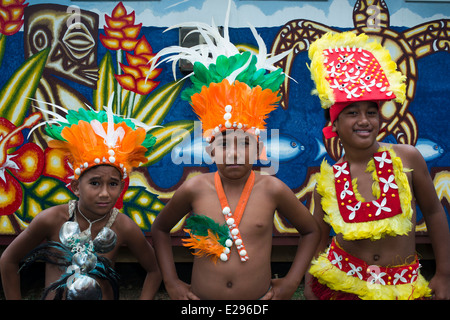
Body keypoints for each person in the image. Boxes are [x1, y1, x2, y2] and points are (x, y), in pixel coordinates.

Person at [149, 4, 321, 300]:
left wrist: (292, 282)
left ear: (258, 148)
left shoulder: (272, 188)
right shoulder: (194, 188)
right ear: (210, 149)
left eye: (244, 143)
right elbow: (160, 229)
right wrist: (172, 282)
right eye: (224, 143)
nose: (234, 153)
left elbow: (311, 231)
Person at [304, 31, 450, 300]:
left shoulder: (407, 157)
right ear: (333, 125)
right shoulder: (328, 179)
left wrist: (444, 273)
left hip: (402, 287)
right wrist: (309, 281)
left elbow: (434, 212)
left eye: (371, 112)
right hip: (342, 284)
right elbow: (318, 238)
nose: (364, 121)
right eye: (352, 113)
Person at [0, 99, 162, 300]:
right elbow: (9, 259)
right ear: (76, 187)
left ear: (121, 186)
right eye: (94, 183)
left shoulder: (123, 226)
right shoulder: (51, 219)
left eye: (113, 184)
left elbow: (154, 270)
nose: (104, 193)